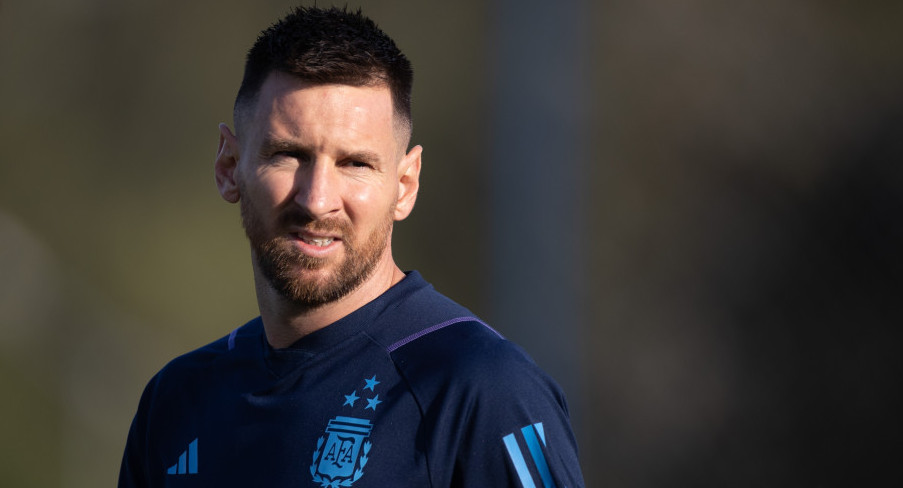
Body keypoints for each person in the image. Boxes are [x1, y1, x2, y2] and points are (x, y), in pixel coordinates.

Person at [119, 6, 585, 487]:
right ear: (228, 166)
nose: (318, 200)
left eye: (355, 164)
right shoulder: (177, 401)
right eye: (288, 155)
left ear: (405, 185)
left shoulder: (484, 390)